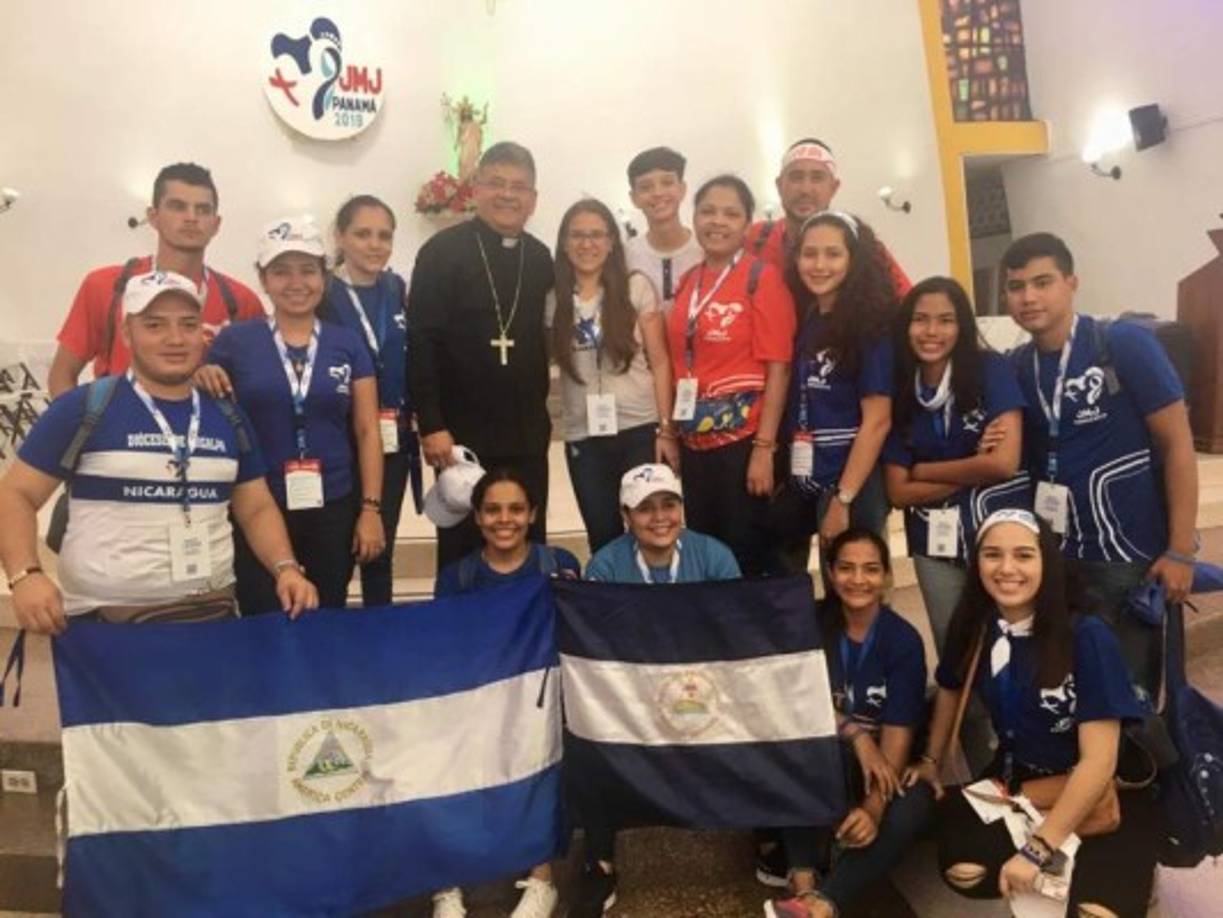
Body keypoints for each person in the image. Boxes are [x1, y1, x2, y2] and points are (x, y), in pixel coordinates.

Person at [0, 271, 316, 631]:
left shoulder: (228, 415)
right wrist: (25, 575)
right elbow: (15, 494)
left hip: (213, 615)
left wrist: (286, 567)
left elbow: (256, 507)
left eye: (188, 324)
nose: (175, 339)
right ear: (127, 334)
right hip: (105, 625)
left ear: (203, 333)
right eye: (155, 325)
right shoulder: (84, 408)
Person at [905, 509, 1157, 917]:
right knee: (964, 872)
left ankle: (1100, 863)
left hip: (1099, 791)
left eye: (1023, 555)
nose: (1007, 569)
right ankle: (1054, 863)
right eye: (992, 555)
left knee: (1096, 912)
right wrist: (932, 761)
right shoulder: (976, 625)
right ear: (977, 563)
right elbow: (951, 687)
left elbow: (1099, 761)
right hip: (1018, 782)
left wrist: (1036, 849)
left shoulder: (1086, 635)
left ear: (1046, 563)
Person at [1002, 232, 1198, 698]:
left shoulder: (1120, 344)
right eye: (1015, 286)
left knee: (1130, 695)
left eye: (1042, 282)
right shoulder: (1016, 366)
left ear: (1071, 283)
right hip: (1056, 555)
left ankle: (1139, 772)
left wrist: (1180, 550)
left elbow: (1178, 444)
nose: (1028, 296)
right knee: (1069, 689)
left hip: (1126, 554)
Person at [572, 462, 740, 917]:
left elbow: (735, 635)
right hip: (635, 696)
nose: (660, 517)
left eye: (669, 504)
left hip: (703, 690)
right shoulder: (606, 565)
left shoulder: (715, 556)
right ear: (626, 516)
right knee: (586, 740)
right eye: (645, 509)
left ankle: (782, 852)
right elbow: (600, 648)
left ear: (682, 509)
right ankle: (601, 861)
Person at [196, 217, 384, 613]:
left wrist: (370, 509)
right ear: (263, 280)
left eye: (307, 271)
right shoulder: (234, 342)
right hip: (257, 502)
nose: (296, 283)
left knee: (326, 609)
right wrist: (202, 371)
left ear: (324, 277)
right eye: (281, 272)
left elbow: (368, 430)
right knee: (262, 611)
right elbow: (194, 396)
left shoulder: (346, 343)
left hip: (333, 501)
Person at [883, 276, 1030, 770]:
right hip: (934, 545)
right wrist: (971, 465)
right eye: (921, 318)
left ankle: (1027, 759)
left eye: (945, 319)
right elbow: (897, 490)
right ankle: (979, 768)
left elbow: (1004, 463)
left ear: (962, 326)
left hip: (1000, 537)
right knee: (956, 653)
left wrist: (924, 469)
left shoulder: (991, 370)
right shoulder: (900, 388)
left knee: (1015, 644)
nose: (932, 331)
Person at [431, 467, 579, 918]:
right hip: (476, 699)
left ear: (532, 514)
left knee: (546, 750)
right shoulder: (456, 579)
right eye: (492, 510)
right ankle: (445, 883)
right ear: (476, 517)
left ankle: (541, 880)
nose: (504, 519)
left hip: (539, 701)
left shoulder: (560, 566)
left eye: (516, 509)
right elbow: (439, 650)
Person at [767, 529, 933, 918]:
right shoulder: (810, 624)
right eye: (846, 568)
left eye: (871, 569)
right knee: (796, 752)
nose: (858, 580)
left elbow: (898, 731)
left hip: (881, 766)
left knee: (915, 803)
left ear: (887, 576)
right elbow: (793, 701)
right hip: (824, 757)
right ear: (830, 572)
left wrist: (875, 807)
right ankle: (803, 877)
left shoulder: (902, 639)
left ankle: (821, 903)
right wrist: (857, 735)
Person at [408, 142, 554, 572]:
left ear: (533, 200)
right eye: (497, 183)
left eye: (519, 187)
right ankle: (460, 634)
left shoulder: (541, 257)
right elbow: (421, 341)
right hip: (461, 436)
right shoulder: (441, 253)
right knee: (464, 547)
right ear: (476, 188)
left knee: (527, 542)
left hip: (526, 432)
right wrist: (432, 425)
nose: (508, 195)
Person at [665, 174, 796, 576]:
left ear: (746, 224)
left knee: (746, 555)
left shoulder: (762, 278)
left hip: (743, 443)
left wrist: (764, 448)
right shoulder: (690, 281)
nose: (717, 222)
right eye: (707, 211)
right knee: (708, 553)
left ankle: (755, 639)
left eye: (730, 213)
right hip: (696, 443)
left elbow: (779, 367)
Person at [48, 162, 264, 397]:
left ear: (216, 224)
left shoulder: (242, 302)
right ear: (153, 217)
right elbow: (62, 375)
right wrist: (84, 431)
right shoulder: (106, 286)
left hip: (204, 431)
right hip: (119, 428)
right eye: (177, 207)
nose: (191, 218)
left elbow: (258, 388)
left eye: (202, 209)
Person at [549, 198, 677, 554]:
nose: (586, 244)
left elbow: (661, 361)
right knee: (602, 534)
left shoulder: (635, 287)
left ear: (610, 242)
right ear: (563, 242)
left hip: (638, 427)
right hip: (584, 434)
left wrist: (666, 429)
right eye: (577, 235)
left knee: (650, 532)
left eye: (596, 235)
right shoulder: (552, 299)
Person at [770, 211, 896, 574]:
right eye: (810, 254)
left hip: (851, 478)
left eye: (833, 254)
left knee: (854, 585)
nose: (819, 265)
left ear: (853, 259)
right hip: (809, 470)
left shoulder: (871, 325)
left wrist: (844, 499)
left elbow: (877, 420)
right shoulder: (810, 317)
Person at [320, 194, 420, 607]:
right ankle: (333, 640)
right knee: (340, 552)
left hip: (391, 439)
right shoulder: (322, 293)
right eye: (363, 234)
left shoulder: (396, 289)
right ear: (340, 237)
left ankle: (381, 643)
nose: (375, 244)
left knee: (380, 546)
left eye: (384, 235)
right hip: (341, 441)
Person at [743, 139, 910, 296]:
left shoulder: (861, 244)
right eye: (796, 177)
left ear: (834, 187)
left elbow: (910, 304)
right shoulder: (755, 237)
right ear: (779, 186)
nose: (805, 190)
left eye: (817, 178)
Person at [623, 147, 704, 314]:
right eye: (646, 187)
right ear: (634, 198)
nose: (658, 193)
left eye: (667, 183)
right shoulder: (626, 255)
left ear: (682, 189)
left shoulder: (704, 251)